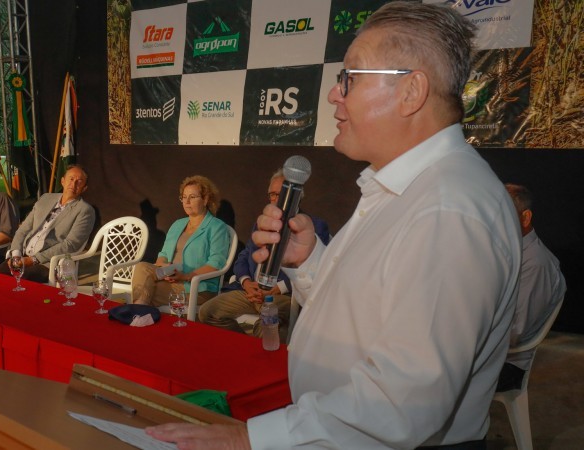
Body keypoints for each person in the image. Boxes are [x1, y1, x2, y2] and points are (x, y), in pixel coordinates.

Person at [147, 3, 523, 448]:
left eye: (350, 78)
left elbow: (404, 402)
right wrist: (308, 262)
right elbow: (366, 315)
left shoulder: (449, 211)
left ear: (411, 91)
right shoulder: (410, 190)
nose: (333, 94)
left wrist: (248, 440)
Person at [198, 169, 330, 341]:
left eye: (280, 194)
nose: (275, 199)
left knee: (267, 327)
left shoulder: (314, 226)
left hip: (282, 296)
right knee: (208, 312)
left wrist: (279, 288)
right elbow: (244, 257)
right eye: (272, 195)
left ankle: (267, 352)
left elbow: (316, 268)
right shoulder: (262, 223)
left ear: (296, 195)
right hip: (250, 292)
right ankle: (243, 346)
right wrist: (246, 282)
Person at [496, 183, 567, 392]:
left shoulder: (536, 264)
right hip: (487, 352)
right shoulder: (505, 251)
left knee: (428, 376)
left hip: (506, 364)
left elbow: (514, 333)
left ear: (525, 218)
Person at [131, 175, 230, 307]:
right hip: (170, 278)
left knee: (145, 290)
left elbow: (216, 263)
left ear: (205, 199)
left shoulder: (217, 227)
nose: (187, 201)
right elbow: (163, 254)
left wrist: (185, 276)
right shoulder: (177, 224)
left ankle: (137, 313)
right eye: (184, 197)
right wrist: (164, 267)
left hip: (197, 287)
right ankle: (139, 312)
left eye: (192, 197)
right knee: (141, 267)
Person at [0, 165, 96, 283]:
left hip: (48, 263)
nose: (73, 184)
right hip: (22, 256)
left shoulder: (85, 210)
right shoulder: (46, 198)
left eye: (79, 182)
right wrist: (16, 254)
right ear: (62, 181)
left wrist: (33, 260)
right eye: (71, 179)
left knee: (14, 284)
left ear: (84, 188)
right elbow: (23, 229)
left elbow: (71, 244)